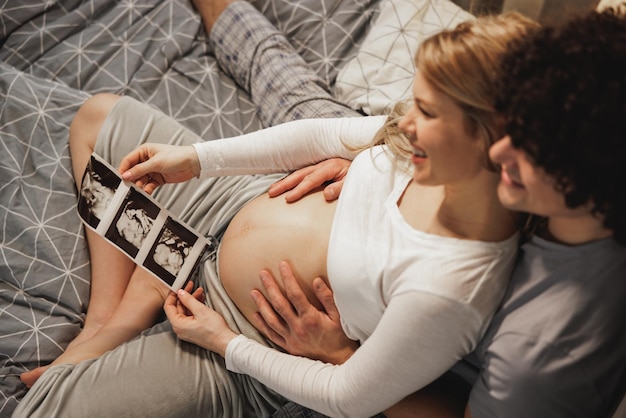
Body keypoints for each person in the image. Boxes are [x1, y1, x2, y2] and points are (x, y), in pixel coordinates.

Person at [14, 3, 534, 418]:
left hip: (242, 328)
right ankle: (109, 317)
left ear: (489, 140)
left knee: (45, 412)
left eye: (427, 111)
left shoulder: (452, 289)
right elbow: (321, 134)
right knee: (97, 118)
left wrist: (222, 341)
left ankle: (149, 286)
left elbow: (348, 396)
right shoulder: (423, 150)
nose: (407, 122)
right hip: (228, 202)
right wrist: (194, 162)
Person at [255, 6, 626, 418]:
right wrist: (391, 158)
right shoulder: (571, 205)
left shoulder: (539, 352)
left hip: (368, 385)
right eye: (514, 130)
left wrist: (341, 356)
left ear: (590, 178)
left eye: (531, 152)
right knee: (311, 110)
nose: (500, 152)